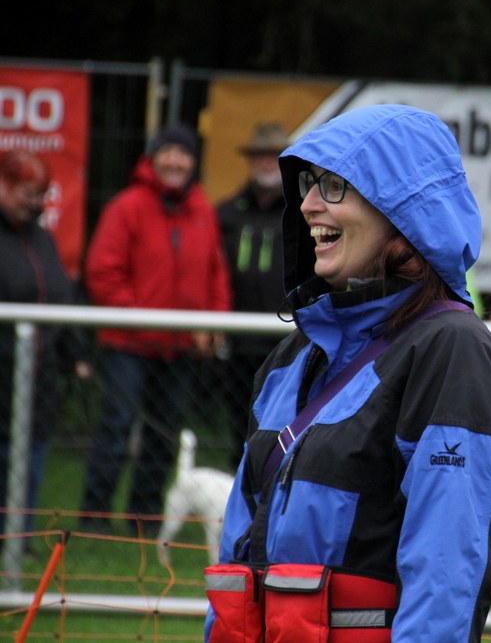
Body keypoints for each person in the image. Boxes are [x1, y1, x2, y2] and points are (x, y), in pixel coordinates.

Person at [205, 104, 491, 643]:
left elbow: (445, 580)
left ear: (404, 210)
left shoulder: (452, 353)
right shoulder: (293, 358)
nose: (307, 204)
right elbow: (236, 563)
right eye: (309, 183)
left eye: (334, 186)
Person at [79, 123, 232, 535]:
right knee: (117, 427)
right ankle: (94, 518)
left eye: (184, 154)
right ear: (153, 158)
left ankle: (144, 519)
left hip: (179, 348)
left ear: (193, 162)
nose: (175, 161)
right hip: (127, 344)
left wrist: (215, 322)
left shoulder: (203, 211)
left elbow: (216, 274)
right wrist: (140, 317)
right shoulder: (127, 207)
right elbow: (103, 272)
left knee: (163, 436)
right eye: (167, 152)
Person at [0, 150, 89, 539]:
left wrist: (76, 354)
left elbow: (61, 298)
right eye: (26, 193)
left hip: (40, 374)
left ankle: (22, 538)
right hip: (3, 370)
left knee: (32, 457)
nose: (33, 202)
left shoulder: (43, 239)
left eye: (39, 194)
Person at [215, 122, 290, 468]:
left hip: (287, 340)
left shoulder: (302, 214)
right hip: (238, 341)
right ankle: (239, 489)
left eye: (274, 156)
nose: (266, 163)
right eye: (260, 155)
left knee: (282, 425)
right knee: (239, 425)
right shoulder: (227, 213)